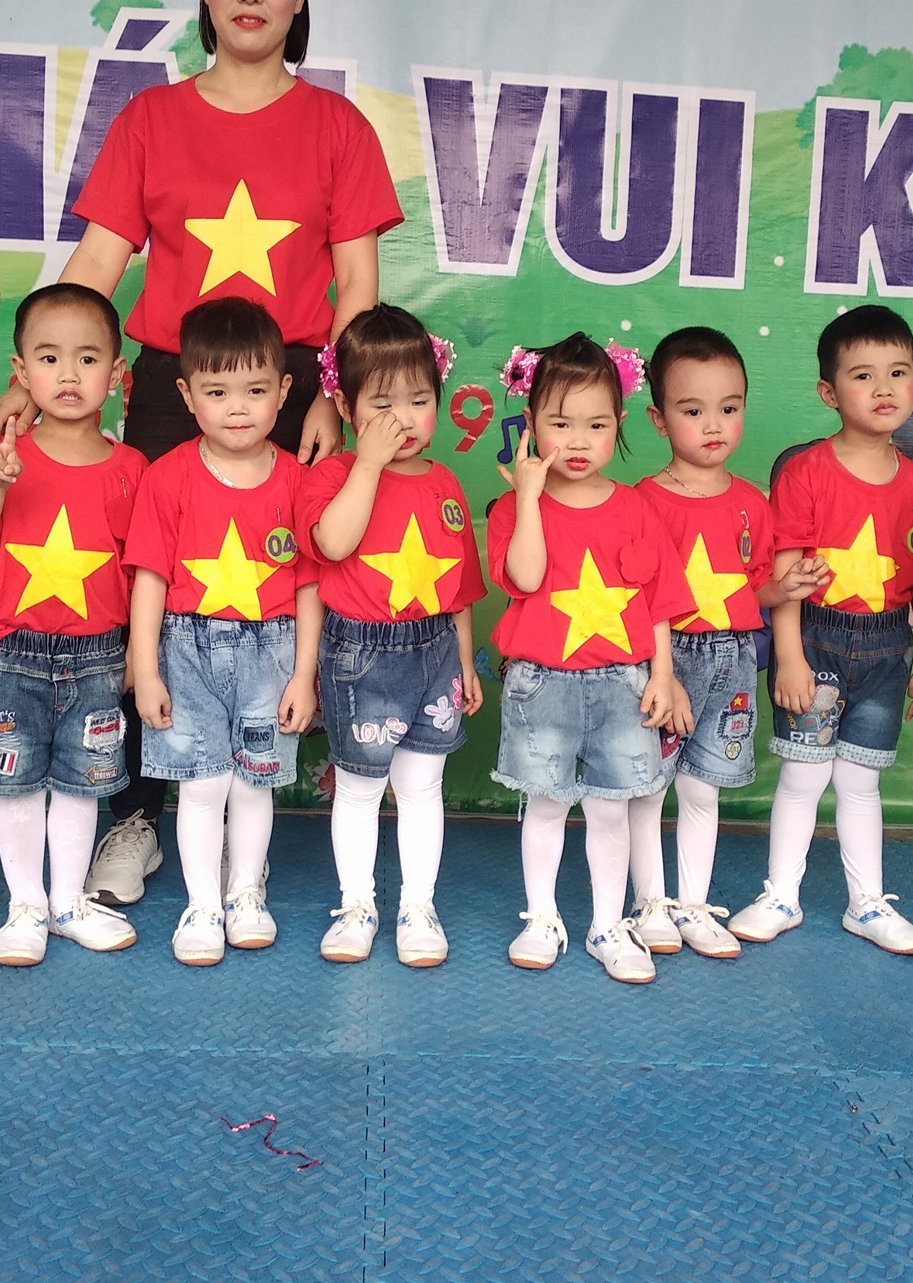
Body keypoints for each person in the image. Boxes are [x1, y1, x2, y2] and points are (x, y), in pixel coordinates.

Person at [55, 0, 403, 906]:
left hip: (294, 383)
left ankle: (269, 809)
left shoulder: (337, 126)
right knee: (152, 599)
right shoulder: (150, 118)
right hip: (173, 388)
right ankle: (135, 815)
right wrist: (47, 367)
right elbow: (99, 264)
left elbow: (356, 284)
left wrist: (333, 393)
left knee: (285, 589)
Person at [731, 306, 913, 957]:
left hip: (887, 648)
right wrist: (790, 657)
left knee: (859, 782)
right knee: (803, 777)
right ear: (829, 392)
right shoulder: (806, 473)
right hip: (816, 642)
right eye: (862, 375)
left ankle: (866, 904)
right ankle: (781, 895)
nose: (883, 388)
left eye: (898, 373)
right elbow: (787, 577)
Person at [0, 284, 146, 967]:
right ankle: (25, 905)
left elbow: (141, 573)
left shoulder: (132, 469)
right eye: (49, 357)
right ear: (20, 370)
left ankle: (67, 902)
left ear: (116, 373)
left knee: (82, 784)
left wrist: (135, 655)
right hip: (12, 652)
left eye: (88, 358)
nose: (68, 374)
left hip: (97, 657)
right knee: (16, 785)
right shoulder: (4, 458)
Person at [124, 297, 323, 966]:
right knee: (202, 785)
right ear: (186, 395)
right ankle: (203, 904)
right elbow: (149, 579)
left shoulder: (298, 481)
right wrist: (146, 669)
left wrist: (303, 674)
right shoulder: (166, 477)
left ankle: (246, 894)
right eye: (216, 392)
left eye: (255, 391)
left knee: (254, 783)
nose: (237, 408)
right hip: (186, 649)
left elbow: (308, 585)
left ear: (284, 392)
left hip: (273, 650)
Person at [489, 334, 687, 985]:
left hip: (625, 684)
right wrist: (527, 496)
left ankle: (607, 924)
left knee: (611, 808)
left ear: (620, 424)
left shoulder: (637, 508)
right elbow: (524, 576)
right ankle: (542, 918)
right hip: (540, 682)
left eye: (596, 425)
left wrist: (662, 674)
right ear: (530, 423)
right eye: (560, 423)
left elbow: (658, 601)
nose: (578, 440)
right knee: (546, 805)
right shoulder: (514, 509)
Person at [629, 326, 824, 960]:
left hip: (733, 658)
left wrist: (783, 588)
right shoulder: (642, 502)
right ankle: (650, 904)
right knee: (649, 787)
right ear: (659, 420)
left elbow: (752, 587)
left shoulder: (752, 503)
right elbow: (637, 598)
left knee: (702, 788)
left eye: (729, 407)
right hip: (665, 660)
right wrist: (662, 674)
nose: (714, 425)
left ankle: (692, 904)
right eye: (693, 411)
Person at [299, 306, 485, 966]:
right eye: (381, 405)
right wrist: (369, 466)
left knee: (422, 787)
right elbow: (332, 543)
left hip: (436, 653)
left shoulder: (444, 482)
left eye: (418, 400)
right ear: (345, 407)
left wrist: (465, 662)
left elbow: (459, 587)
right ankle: (357, 905)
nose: (402, 419)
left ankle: (417, 906)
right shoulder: (331, 476)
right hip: (360, 655)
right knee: (358, 788)